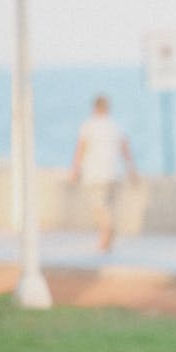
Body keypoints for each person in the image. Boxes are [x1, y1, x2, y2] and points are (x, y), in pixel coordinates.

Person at [70, 94, 138, 251]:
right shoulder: (116, 125)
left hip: (94, 173)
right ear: (108, 108)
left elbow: (81, 148)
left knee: (98, 207)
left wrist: (75, 170)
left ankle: (106, 231)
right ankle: (106, 236)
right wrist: (132, 171)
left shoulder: (88, 125)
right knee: (109, 206)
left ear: (94, 108)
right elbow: (125, 150)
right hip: (115, 172)